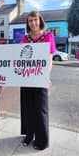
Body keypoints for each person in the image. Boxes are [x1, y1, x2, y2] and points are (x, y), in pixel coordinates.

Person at [20, 11, 56, 150]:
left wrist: (46, 76)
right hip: (27, 78)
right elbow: (21, 58)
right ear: (27, 23)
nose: (33, 23)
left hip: (40, 78)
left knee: (40, 110)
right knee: (28, 108)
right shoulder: (25, 38)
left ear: (40, 20)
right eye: (30, 21)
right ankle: (29, 135)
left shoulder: (48, 36)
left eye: (35, 20)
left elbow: (49, 59)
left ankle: (42, 139)